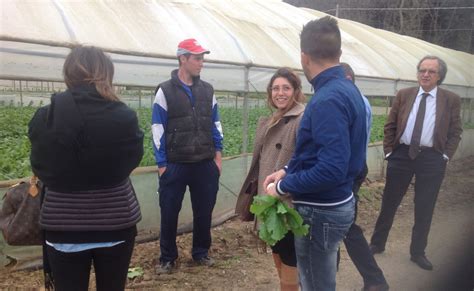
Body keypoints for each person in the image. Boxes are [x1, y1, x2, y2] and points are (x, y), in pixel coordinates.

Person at [28, 46, 144, 291]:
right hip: (116, 224)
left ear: (69, 74)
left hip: (63, 226)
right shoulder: (124, 116)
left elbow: (39, 165)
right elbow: (132, 160)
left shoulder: (45, 117)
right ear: (106, 74)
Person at [264, 16, 367, 291]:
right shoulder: (347, 89)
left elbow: (331, 168)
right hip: (338, 201)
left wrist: (283, 185)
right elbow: (314, 151)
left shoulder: (327, 100)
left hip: (321, 210)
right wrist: (287, 169)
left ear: (304, 56)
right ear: (339, 54)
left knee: (315, 284)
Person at [369, 56, 463, 271]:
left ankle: (417, 252)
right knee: (389, 202)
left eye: (431, 71)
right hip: (401, 155)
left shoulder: (450, 99)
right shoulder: (404, 95)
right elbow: (390, 125)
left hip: (432, 158)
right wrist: (389, 152)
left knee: (424, 206)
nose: (425, 74)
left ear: (440, 76)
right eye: (422, 70)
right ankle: (377, 243)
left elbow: (455, 132)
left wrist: (445, 157)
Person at [152, 38, 223, 274]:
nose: (202, 63)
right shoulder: (165, 90)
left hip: (205, 162)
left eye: (203, 58)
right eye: (198, 58)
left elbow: (216, 123)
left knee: (204, 211)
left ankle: (201, 252)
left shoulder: (208, 90)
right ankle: (168, 258)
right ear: (183, 58)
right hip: (175, 164)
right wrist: (162, 165)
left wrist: (218, 157)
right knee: (169, 212)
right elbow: (157, 128)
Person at [236, 68, 305, 291]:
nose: (280, 93)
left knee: (289, 251)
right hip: (269, 196)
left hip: (288, 198)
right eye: (275, 88)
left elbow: (303, 158)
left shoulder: (302, 118)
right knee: (277, 246)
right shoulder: (271, 119)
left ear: (296, 91)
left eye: (286, 88)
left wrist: (283, 186)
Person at [339, 62, 389, 291]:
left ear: (347, 78)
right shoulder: (360, 100)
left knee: (345, 226)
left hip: (347, 171)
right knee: (338, 225)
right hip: (354, 167)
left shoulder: (353, 102)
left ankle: (375, 279)